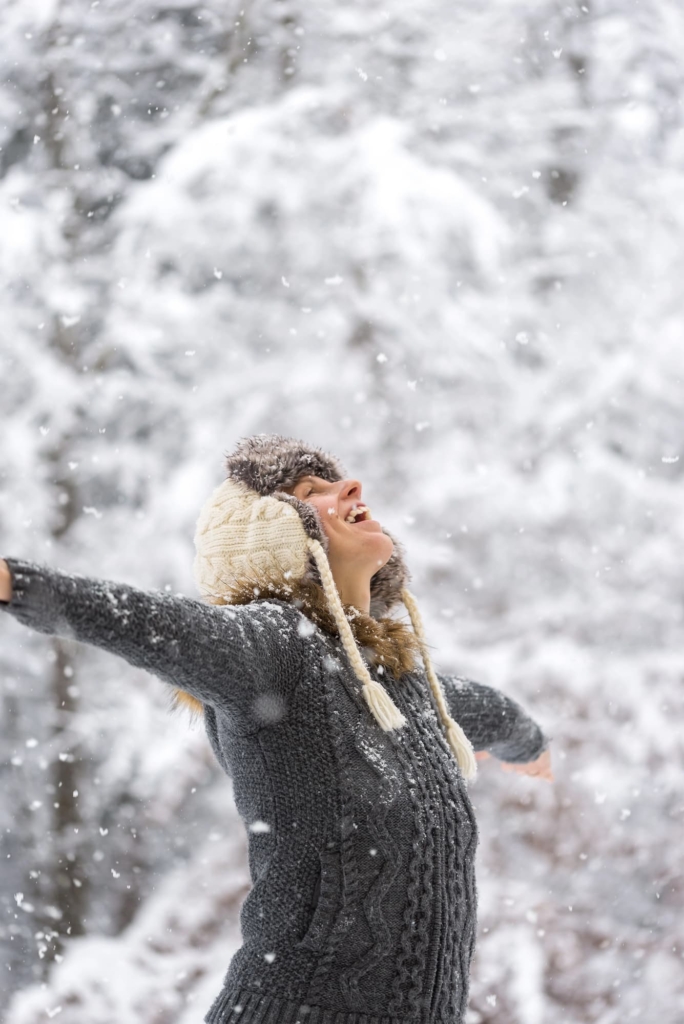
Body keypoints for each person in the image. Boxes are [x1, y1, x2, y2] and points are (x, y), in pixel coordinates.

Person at [0, 434, 553, 1024]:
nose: (352, 488)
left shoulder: (404, 688)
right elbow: (145, 620)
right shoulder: (277, 648)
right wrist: (16, 580)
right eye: (313, 492)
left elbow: (484, 709)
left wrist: (529, 743)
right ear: (274, 534)